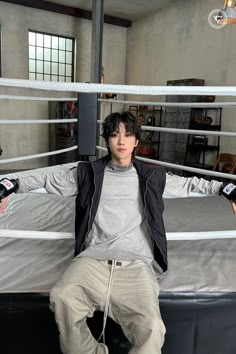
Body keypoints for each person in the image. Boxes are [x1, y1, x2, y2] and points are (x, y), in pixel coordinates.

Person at [0, 111, 235, 354]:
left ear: (136, 141)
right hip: (92, 261)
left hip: (137, 264)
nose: (121, 142)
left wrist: (228, 189)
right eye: (114, 135)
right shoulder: (88, 174)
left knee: (153, 329)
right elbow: (47, 178)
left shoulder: (152, 177)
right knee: (62, 298)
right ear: (106, 140)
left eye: (128, 135)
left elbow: (191, 184)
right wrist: (9, 185)